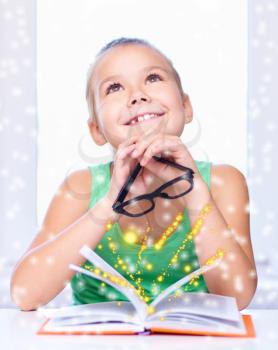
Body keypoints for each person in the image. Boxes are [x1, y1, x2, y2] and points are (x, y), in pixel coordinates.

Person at [10, 37, 257, 311]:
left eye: (153, 78)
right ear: (96, 130)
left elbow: (237, 297)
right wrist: (108, 204)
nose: (138, 96)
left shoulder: (224, 183)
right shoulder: (79, 187)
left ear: (186, 107)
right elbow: (25, 295)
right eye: (114, 87)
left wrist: (196, 191)